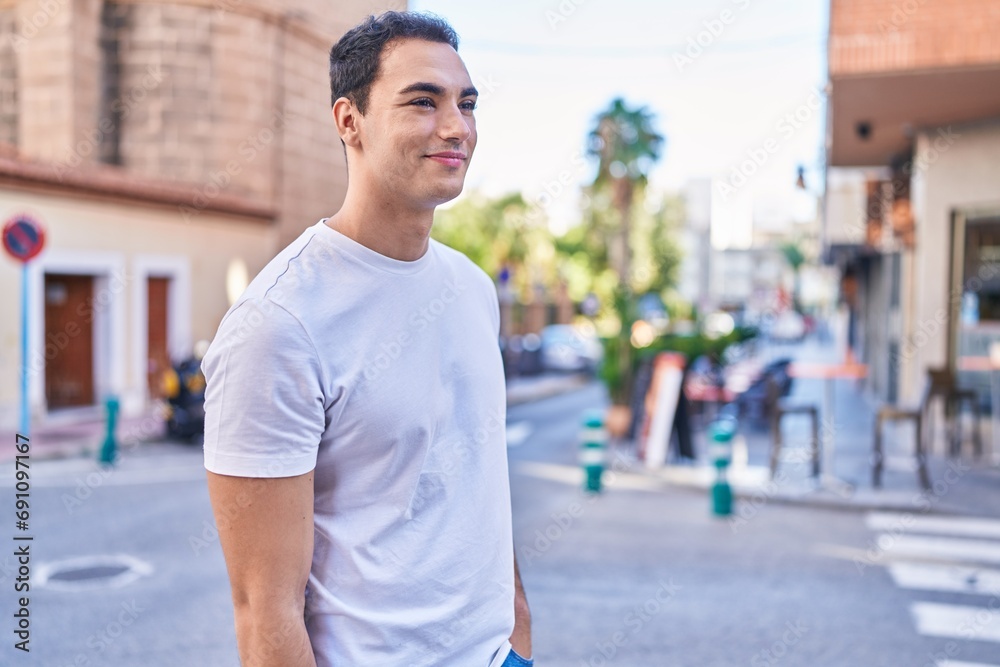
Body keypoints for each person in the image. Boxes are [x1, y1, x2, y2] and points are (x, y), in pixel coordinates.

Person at [200, 10, 533, 667]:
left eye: (466, 103)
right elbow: (264, 614)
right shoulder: (279, 324)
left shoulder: (471, 289)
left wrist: (517, 625)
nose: (456, 127)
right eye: (422, 102)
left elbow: (476, 482)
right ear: (348, 119)